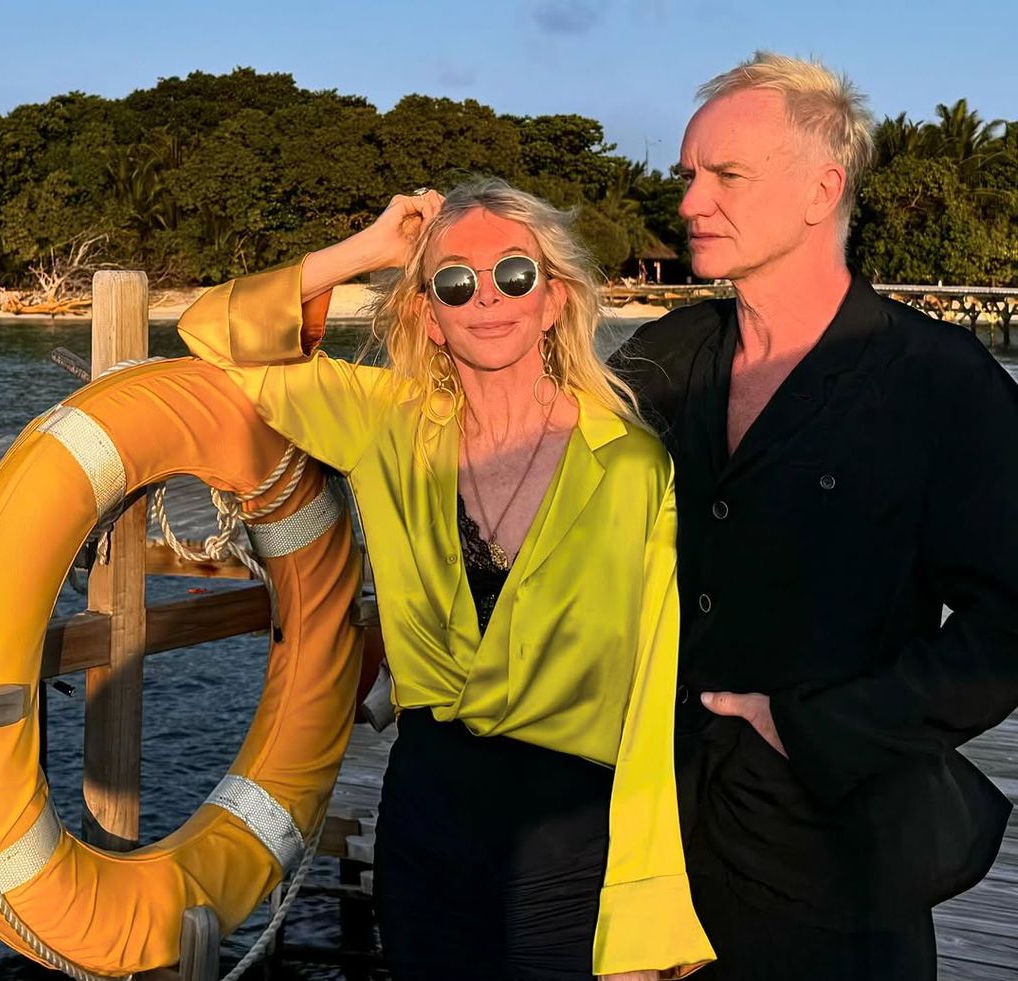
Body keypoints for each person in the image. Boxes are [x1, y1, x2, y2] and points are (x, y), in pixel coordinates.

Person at [178, 178, 714, 980]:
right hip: (428, 811)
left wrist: (644, 921)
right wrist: (370, 251)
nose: (487, 297)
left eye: (515, 274)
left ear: (555, 298)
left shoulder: (632, 464)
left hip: (572, 831)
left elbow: (651, 694)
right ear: (429, 315)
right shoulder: (385, 421)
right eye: (455, 281)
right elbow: (210, 332)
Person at [613, 51, 1018, 980]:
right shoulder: (664, 358)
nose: (689, 204)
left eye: (726, 176)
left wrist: (813, 725)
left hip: (838, 856)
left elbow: (1009, 621)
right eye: (688, 176)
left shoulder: (937, 381)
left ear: (820, 189)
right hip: (658, 853)